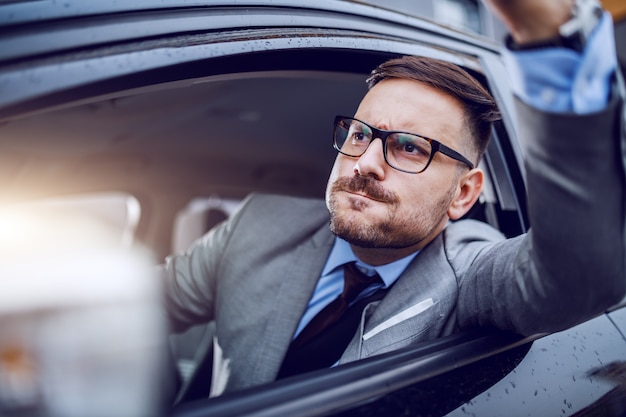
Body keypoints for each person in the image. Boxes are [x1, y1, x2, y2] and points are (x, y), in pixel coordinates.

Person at [162, 0, 626, 397]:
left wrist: (550, 37)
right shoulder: (264, 220)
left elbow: (580, 275)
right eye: (360, 134)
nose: (365, 162)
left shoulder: (468, 275)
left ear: (463, 194)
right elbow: (144, 304)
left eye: (409, 147)